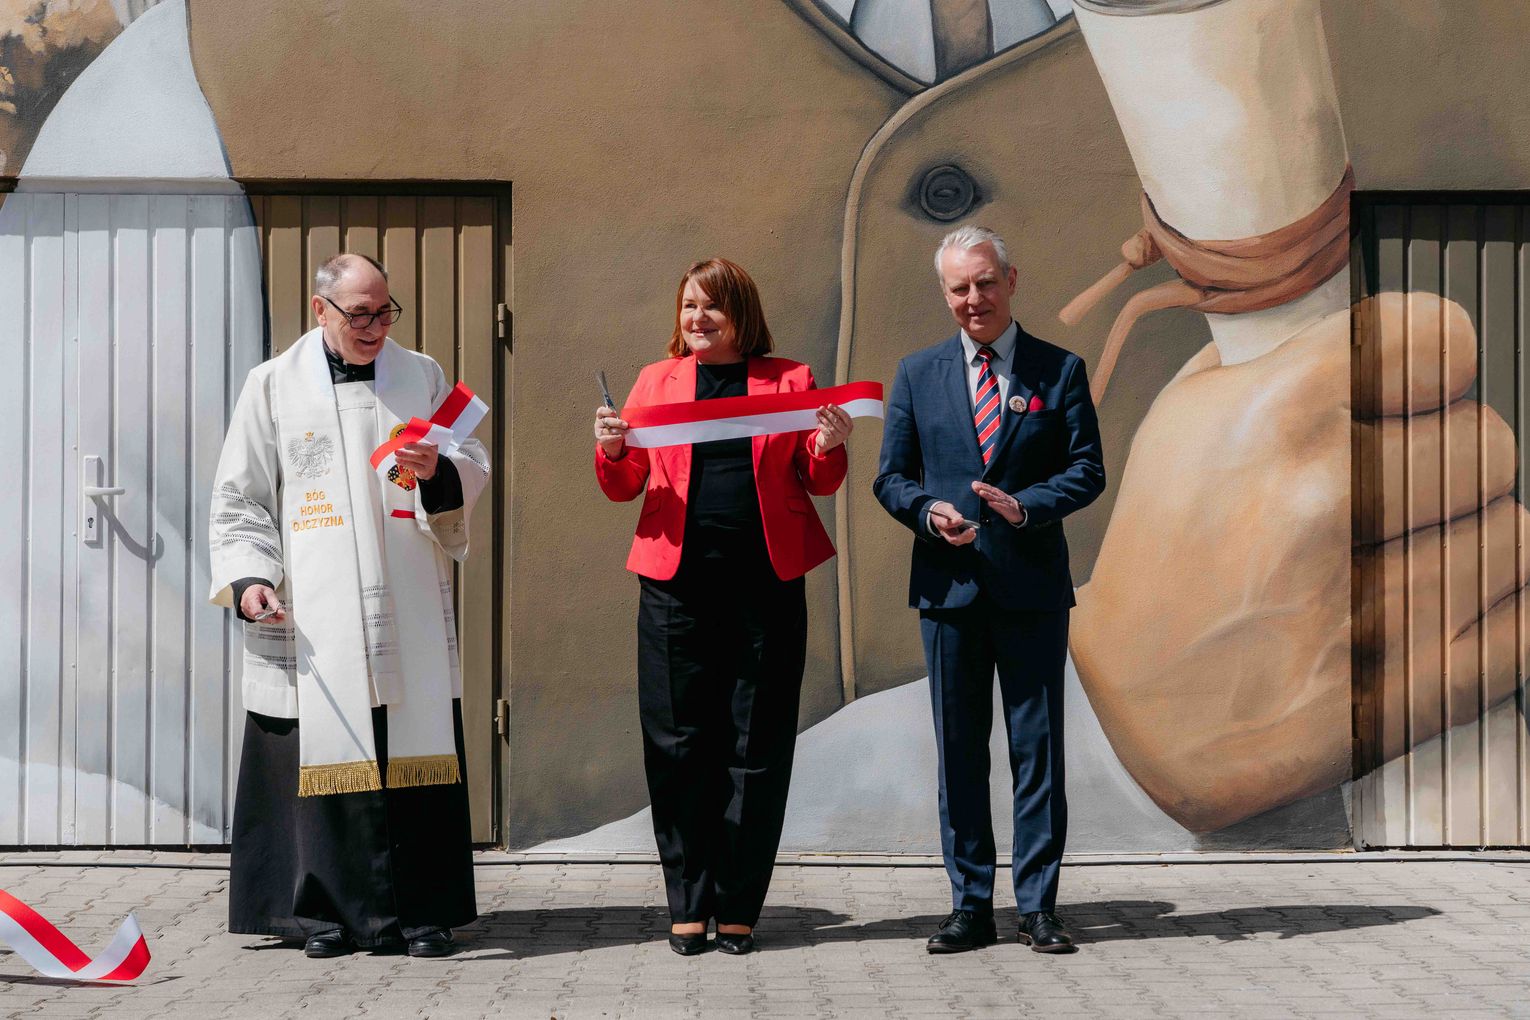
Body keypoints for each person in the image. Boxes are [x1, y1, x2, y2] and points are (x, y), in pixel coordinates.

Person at [209, 253, 489, 959]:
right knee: (318, 746)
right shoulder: (272, 385)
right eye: (359, 313)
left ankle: (422, 913)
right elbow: (240, 497)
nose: (374, 327)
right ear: (321, 309)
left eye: (384, 311)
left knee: (412, 744)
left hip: (405, 604)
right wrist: (250, 580)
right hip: (314, 611)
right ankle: (323, 915)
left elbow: (473, 461)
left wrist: (441, 473)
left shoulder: (421, 376)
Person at [594, 258, 853, 956]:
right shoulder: (656, 380)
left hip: (766, 586)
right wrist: (612, 450)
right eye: (688, 306)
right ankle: (688, 902)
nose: (697, 318)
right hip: (673, 586)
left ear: (742, 314)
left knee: (755, 746)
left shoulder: (790, 380)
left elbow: (819, 478)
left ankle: (738, 906)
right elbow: (626, 485)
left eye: (711, 306)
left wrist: (828, 444)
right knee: (678, 746)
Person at [873, 226, 1105, 954]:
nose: (973, 299)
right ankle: (970, 905)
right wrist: (928, 513)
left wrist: (1025, 506)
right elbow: (891, 477)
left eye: (984, 282)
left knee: (1037, 752)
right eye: (959, 288)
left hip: (1031, 588)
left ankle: (1038, 907)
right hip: (949, 591)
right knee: (960, 753)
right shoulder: (917, 374)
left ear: (1010, 280)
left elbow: (1088, 469)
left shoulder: (1058, 370)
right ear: (945, 294)